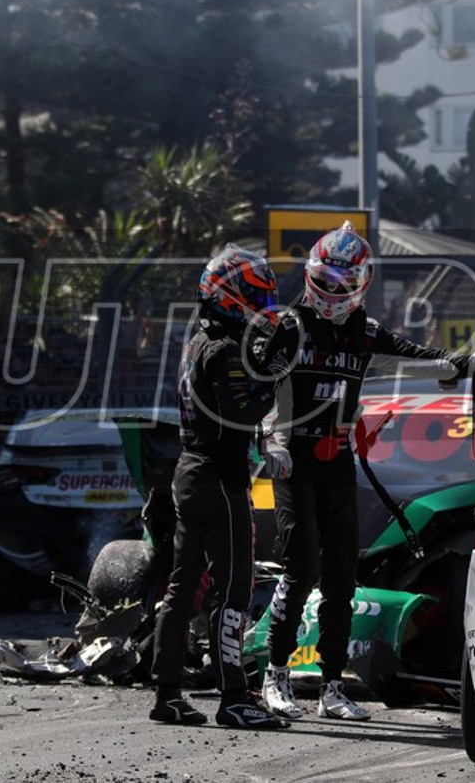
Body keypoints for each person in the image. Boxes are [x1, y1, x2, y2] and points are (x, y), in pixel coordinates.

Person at [258, 221, 470, 722]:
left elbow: (423, 356)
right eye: (325, 282)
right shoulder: (288, 326)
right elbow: (262, 388)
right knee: (301, 568)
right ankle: (275, 674)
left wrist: (466, 362)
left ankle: (332, 685)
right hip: (294, 462)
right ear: (311, 276)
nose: (332, 293)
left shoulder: (364, 330)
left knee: (340, 579)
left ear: (359, 285)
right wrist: (273, 437)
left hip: (338, 464)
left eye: (342, 285)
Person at [149, 244, 290, 730]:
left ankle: (167, 694)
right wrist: (274, 374)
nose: (264, 303)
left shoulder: (198, 341)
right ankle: (234, 696)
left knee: (182, 586)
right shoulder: (224, 348)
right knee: (232, 588)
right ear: (230, 295)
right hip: (218, 477)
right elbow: (244, 412)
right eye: (255, 294)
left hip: (192, 472)